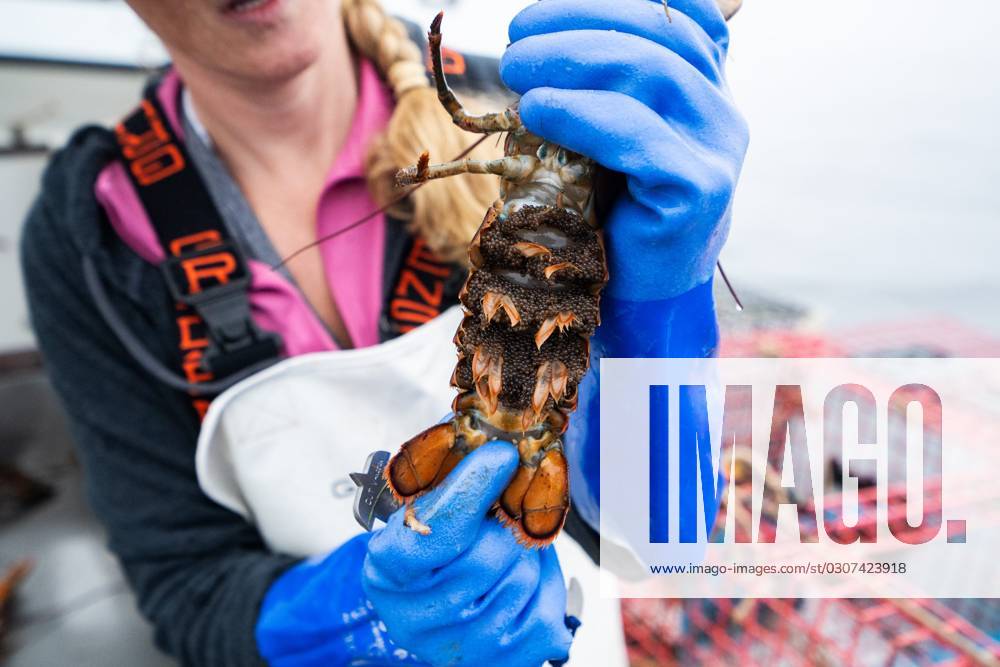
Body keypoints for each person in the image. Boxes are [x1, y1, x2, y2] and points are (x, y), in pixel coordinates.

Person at [20, 0, 747, 664]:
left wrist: (658, 311)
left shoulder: (543, 109)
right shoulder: (94, 234)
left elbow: (657, 535)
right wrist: (361, 616)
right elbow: (190, 588)